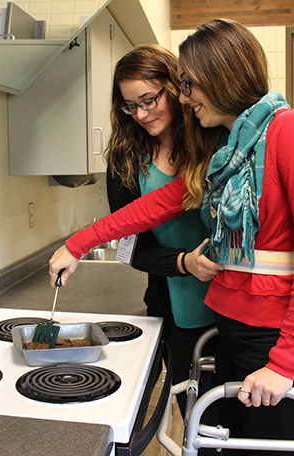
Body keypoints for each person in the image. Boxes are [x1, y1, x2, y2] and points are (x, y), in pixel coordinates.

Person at [49, 19, 294, 455]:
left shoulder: (291, 132)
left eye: (187, 84)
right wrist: (78, 243)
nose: (183, 97)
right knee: (222, 447)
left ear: (220, 76)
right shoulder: (231, 150)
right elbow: (158, 204)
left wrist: (284, 364)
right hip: (231, 328)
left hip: (273, 338)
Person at [102, 44, 216, 417]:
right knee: (199, 423)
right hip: (172, 310)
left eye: (149, 99)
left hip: (234, 310)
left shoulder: (210, 140)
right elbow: (127, 247)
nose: (141, 114)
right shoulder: (125, 160)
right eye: (130, 106)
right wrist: (182, 262)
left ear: (175, 86)